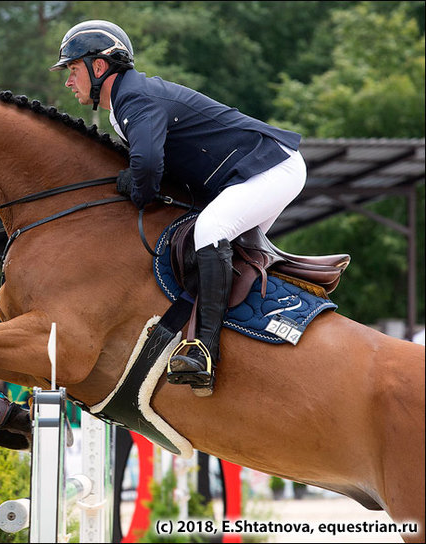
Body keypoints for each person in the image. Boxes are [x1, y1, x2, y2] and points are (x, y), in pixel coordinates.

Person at [51, 20, 306, 396]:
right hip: (250, 171)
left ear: (99, 67)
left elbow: (149, 168)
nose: (69, 81)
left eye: (73, 70)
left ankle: (203, 350)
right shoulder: (122, 107)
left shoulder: (135, 98)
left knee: (210, 232)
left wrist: (132, 186)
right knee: (206, 249)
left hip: (270, 166)